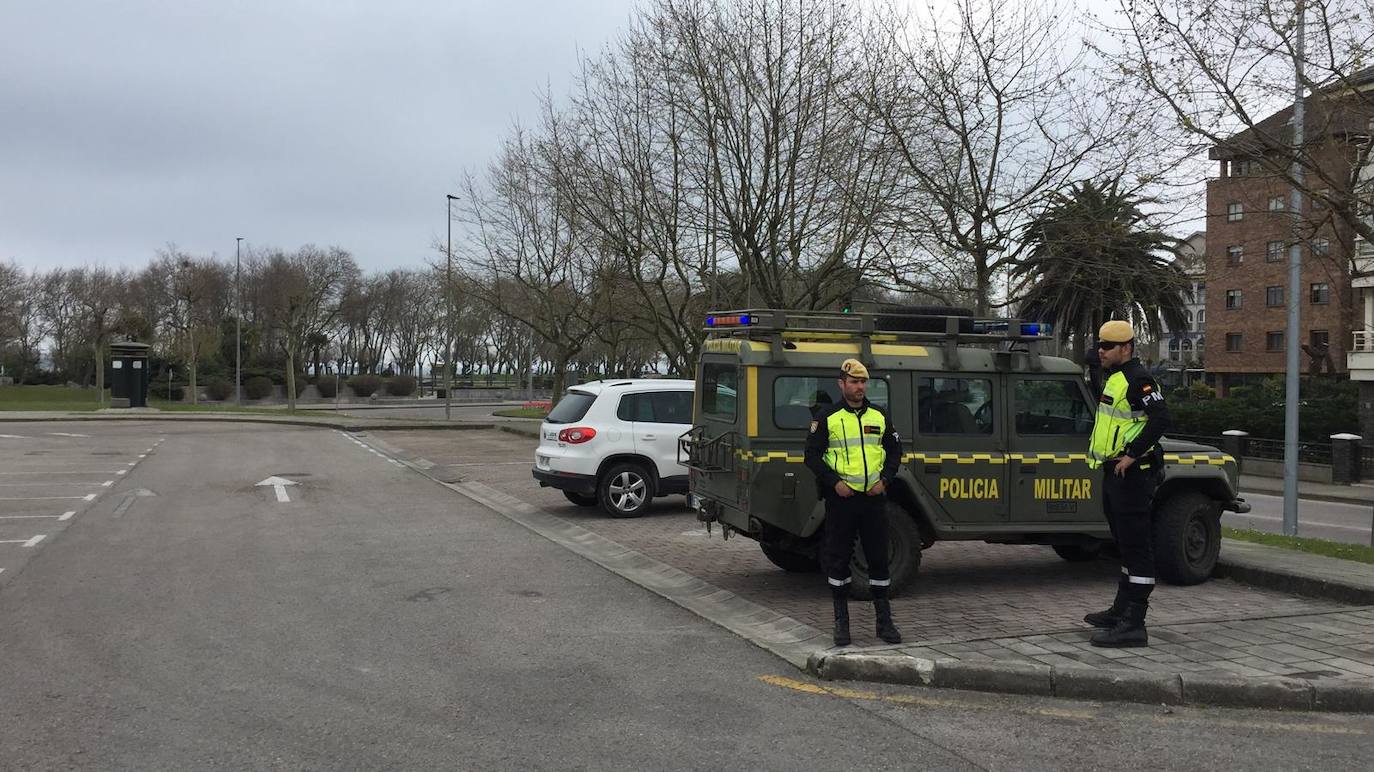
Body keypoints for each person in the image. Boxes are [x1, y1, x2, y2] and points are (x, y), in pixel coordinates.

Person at [1084, 320, 1172, 647]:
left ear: (1126, 348)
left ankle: (1135, 623)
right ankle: (1120, 610)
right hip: (1115, 474)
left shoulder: (1139, 379)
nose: (1101, 351)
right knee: (1123, 544)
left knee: (1137, 546)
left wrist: (1132, 454)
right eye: (1100, 345)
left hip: (1134, 475)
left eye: (1107, 347)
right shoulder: (1116, 380)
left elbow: (1161, 418)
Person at [804, 358, 903, 647]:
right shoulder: (827, 417)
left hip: (873, 500)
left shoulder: (879, 416)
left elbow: (895, 451)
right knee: (838, 560)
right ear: (841, 384)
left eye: (863, 382)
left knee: (878, 560)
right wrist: (835, 483)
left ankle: (884, 623)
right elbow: (811, 455)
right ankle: (841, 623)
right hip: (842, 501)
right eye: (854, 382)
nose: (859, 387)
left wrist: (884, 480)